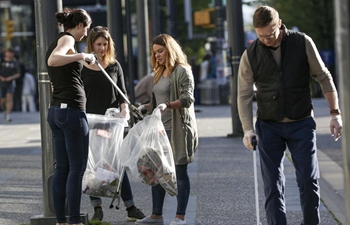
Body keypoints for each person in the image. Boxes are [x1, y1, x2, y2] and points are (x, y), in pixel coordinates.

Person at [237, 6, 343, 225]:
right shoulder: (250, 55)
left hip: (301, 122)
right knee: (272, 185)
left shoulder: (302, 42)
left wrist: (335, 113)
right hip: (268, 125)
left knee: (308, 180)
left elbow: (323, 76)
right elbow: (244, 95)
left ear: (280, 24)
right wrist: (248, 130)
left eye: (270, 34)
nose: (266, 40)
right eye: (261, 36)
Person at [81, 26, 146, 222]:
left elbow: (122, 93)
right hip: (89, 122)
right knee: (91, 166)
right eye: (98, 44)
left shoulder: (114, 65)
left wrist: (124, 110)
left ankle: (130, 206)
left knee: (115, 165)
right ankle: (97, 208)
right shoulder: (82, 65)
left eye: (105, 44)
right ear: (91, 44)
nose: (101, 48)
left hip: (110, 123)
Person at [136, 34, 198, 225]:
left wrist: (168, 105)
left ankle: (180, 217)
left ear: (170, 49)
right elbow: (157, 101)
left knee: (179, 172)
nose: (157, 56)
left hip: (177, 130)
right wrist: (145, 107)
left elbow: (187, 99)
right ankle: (156, 216)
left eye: (160, 51)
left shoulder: (182, 71)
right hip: (158, 130)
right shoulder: (158, 72)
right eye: (154, 53)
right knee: (156, 172)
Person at [45, 8, 96, 225]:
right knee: (76, 169)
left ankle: (61, 222)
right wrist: (82, 55)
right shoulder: (67, 39)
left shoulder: (61, 40)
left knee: (63, 169)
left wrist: (84, 60)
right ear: (79, 25)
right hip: (71, 111)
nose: (86, 33)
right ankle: (74, 221)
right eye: (87, 28)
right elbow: (53, 60)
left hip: (57, 111)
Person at [0, 48, 20, 122]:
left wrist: (11, 78)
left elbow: (18, 74)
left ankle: (8, 114)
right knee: (2, 100)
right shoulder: (2, 61)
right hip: (2, 82)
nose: (9, 54)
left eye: (11, 52)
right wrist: (1, 78)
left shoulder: (15, 63)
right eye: (8, 52)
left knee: (9, 97)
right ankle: (5, 111)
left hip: (10, 82)